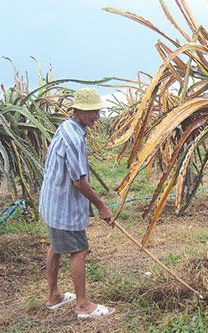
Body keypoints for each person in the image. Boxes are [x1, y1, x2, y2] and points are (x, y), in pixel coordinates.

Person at [39, 87, 114, 319]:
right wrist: (102, 206)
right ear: (78, 110)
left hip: (52, 203)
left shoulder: (67, 128)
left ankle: (54, 297)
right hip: (63, 206)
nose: (97, 117)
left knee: (55, 247)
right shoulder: (73, 137)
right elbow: (79, 181)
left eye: (98, 111)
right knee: (79, 250)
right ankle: (83, 306)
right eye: (92, 112)